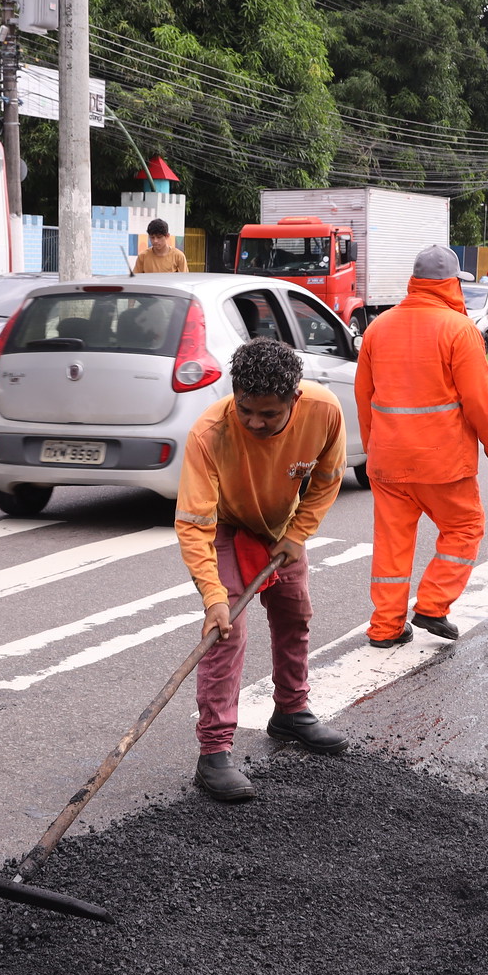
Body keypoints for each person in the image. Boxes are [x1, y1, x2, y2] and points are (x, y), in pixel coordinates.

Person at [175, 338, 349, 801]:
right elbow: (194, 525)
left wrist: (297, 534)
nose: (255, 422)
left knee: (295, 614)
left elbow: (328, 479)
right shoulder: (209, 434)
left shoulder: (324, 411)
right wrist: (214, 598)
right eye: (246, 409)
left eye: (269, 414)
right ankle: (213, 753)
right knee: (226, 632)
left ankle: (291, 712)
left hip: (281, 527)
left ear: (295, 398)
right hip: (227, 528)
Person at [355, 244, 488, 647]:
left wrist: (375, 449)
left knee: (392, 544)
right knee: (464, 527)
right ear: (453, 284)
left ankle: (385, 628)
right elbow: (478, 399)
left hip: (388, 460)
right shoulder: (460, 331)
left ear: (415, 282)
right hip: (443, 463)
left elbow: (364, 396)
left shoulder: (378, 327)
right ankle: (433, 605)